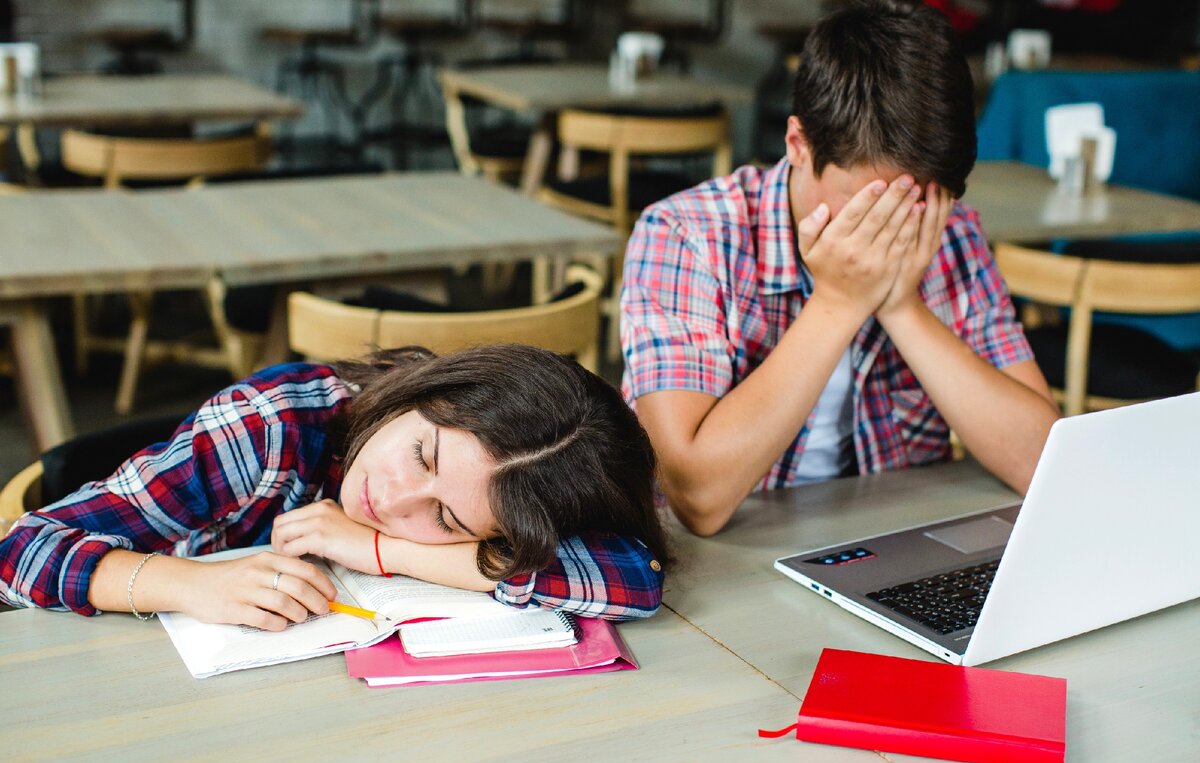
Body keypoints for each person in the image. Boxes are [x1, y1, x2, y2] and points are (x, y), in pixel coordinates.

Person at [620, 0, 1060, 537]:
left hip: (885, 544)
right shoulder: (689, 235)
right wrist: (839, 302)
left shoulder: (950, 233)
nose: (894, 224)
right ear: (798, 145)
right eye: (870, 202)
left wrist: (902, 307)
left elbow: (1044, 464)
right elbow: (698, 498)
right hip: (717, 567)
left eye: (918, 203)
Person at [0, 344, 668, 627]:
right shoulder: (276, 424)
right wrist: (194, 583)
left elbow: (634, 579)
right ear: (430, 394)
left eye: (446, 519)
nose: (393, 498)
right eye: (421, 453)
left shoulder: (513, 488)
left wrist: (383, 552)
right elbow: (20, 553)